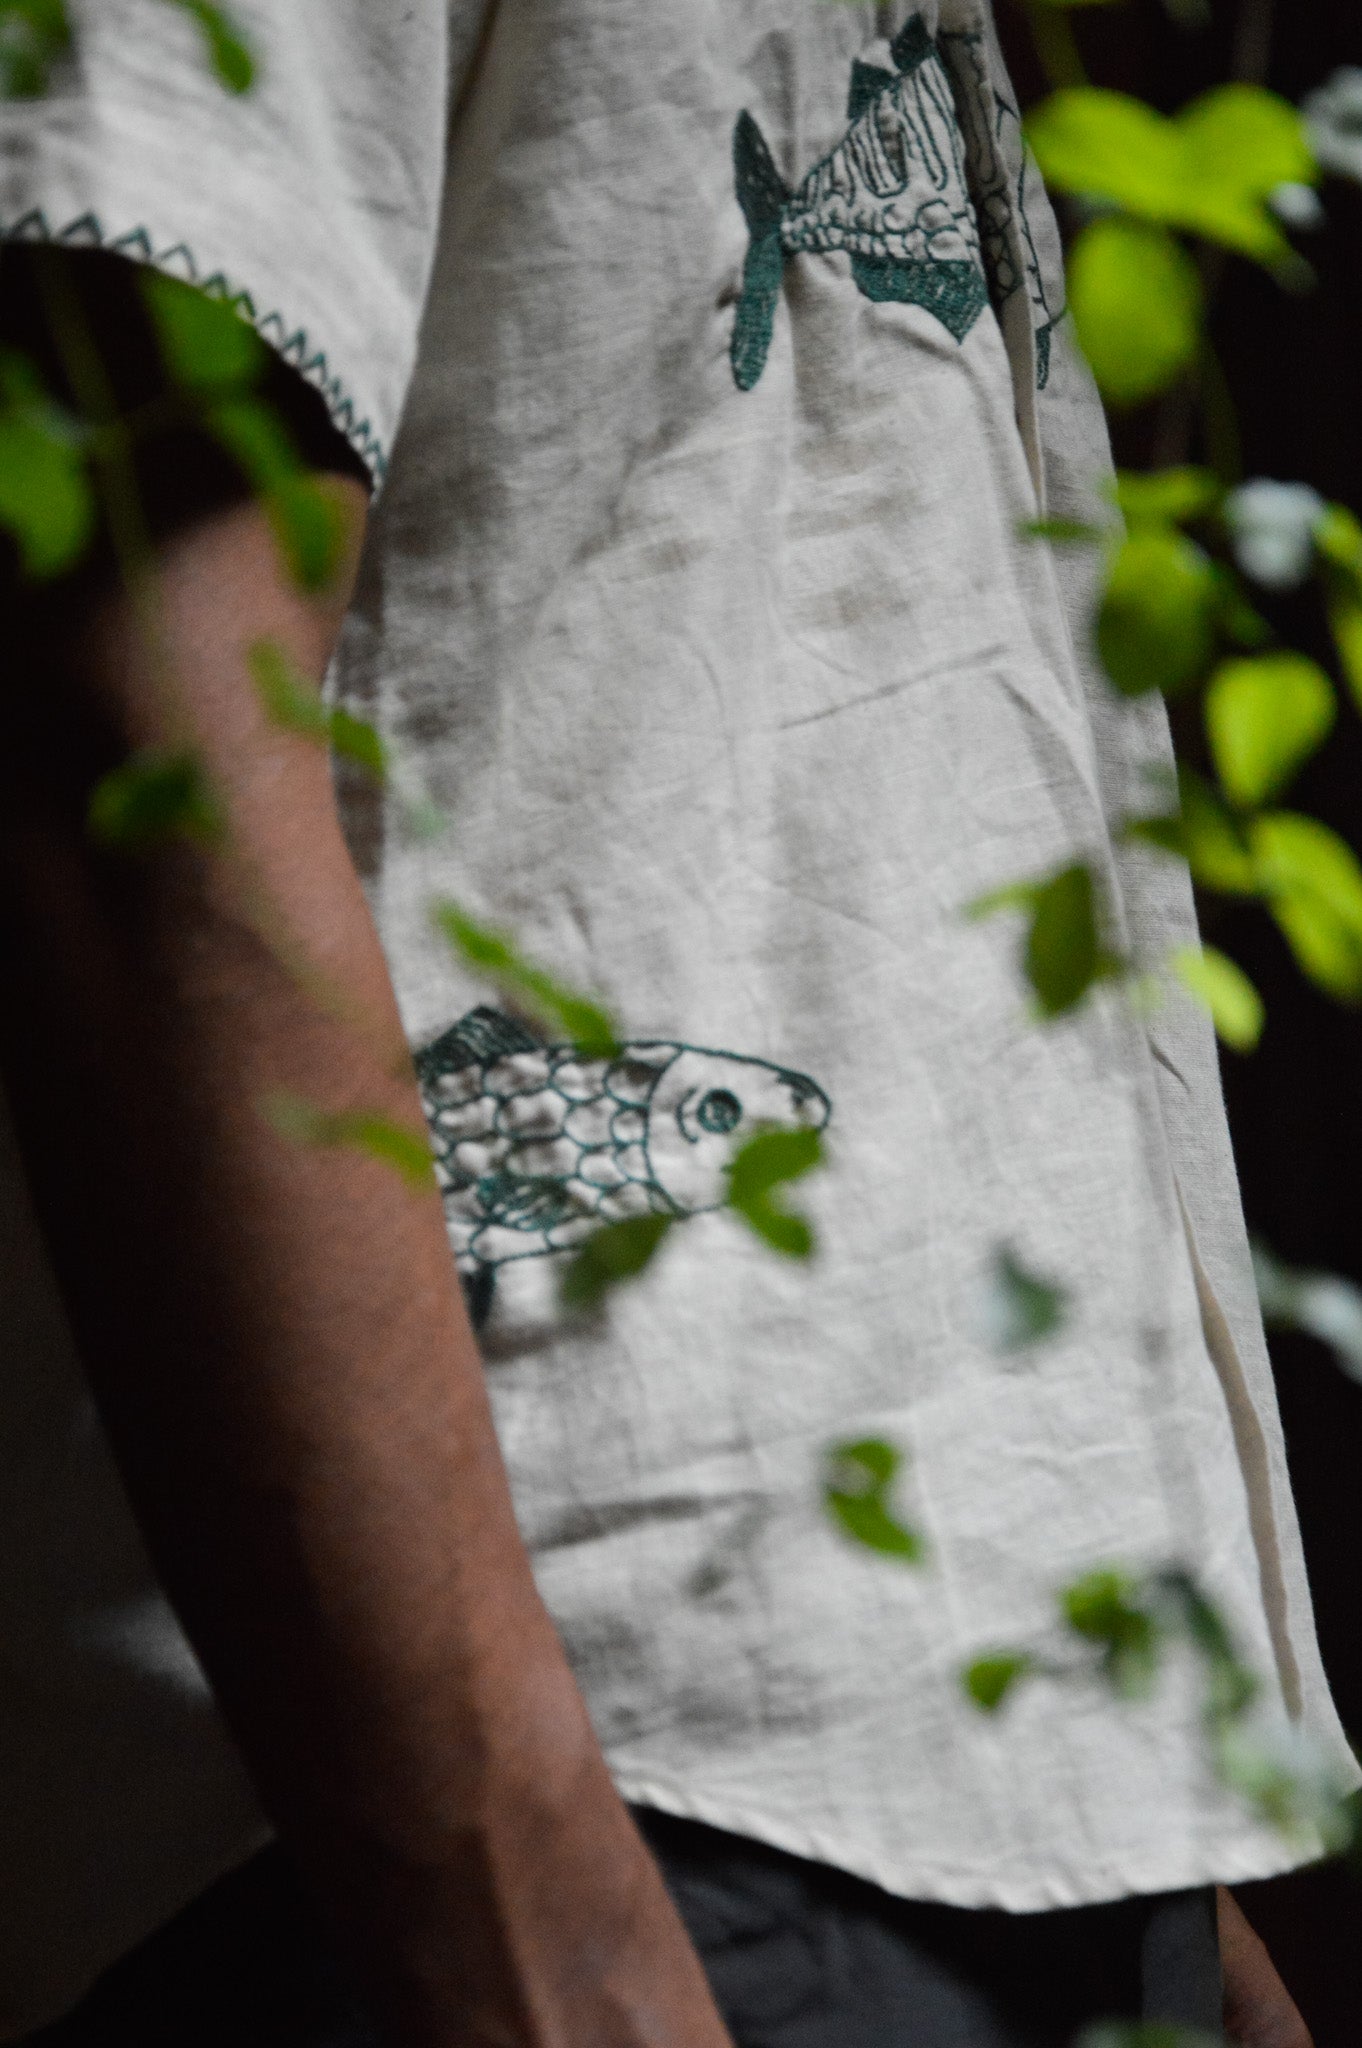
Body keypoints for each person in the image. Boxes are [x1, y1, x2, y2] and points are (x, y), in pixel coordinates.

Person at [0, 2, 1351, 2042]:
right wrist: (539, 1936)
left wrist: (1151, 1887)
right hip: (606, 1803)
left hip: (963, 1841)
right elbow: (131, 699)